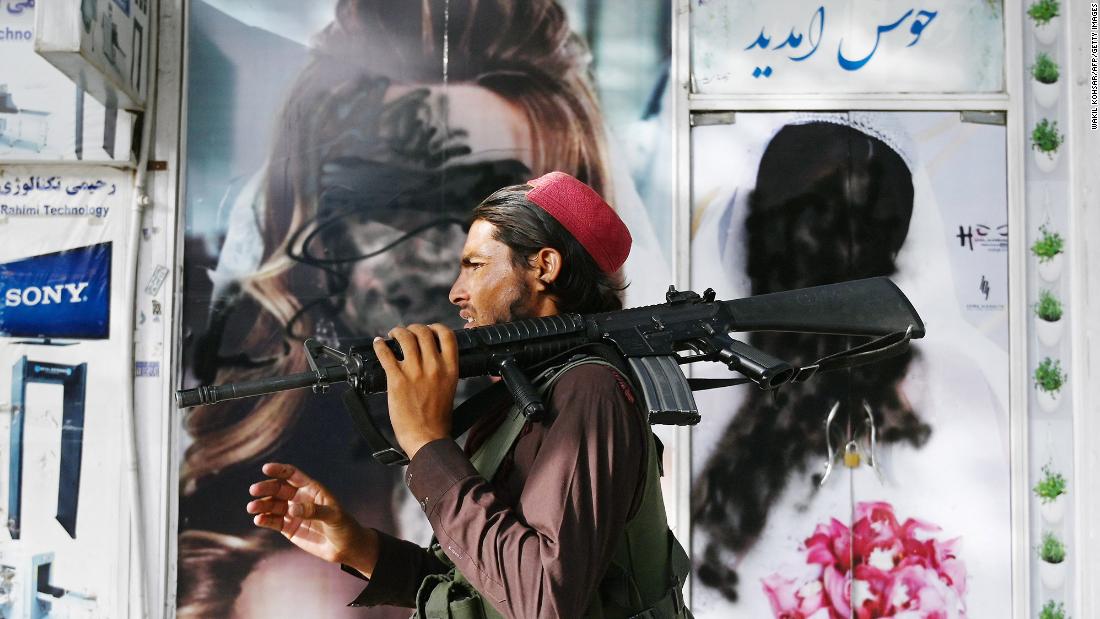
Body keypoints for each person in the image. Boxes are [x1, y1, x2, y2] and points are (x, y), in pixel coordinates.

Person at [245, 172, 691, 618]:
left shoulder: (589, 389)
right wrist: (362, 549)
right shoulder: (526, 395)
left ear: (544, 267)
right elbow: (485, 585)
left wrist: (426, 444)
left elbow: (543, 599)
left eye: (475, 265)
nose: (456, 293)